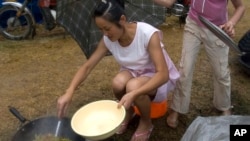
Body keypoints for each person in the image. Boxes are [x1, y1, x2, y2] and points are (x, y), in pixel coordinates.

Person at [57, 0, 179, 140]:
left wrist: (134, 94)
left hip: (155, 75)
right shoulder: (108, 39)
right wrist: (70, 91)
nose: (105, 34)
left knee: (133, 86)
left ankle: (146, 122)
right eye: (101, 29)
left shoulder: (147, 34)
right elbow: (87, 66)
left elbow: (163, 74)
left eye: (107, 28)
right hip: (134, 72)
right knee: (117, 83)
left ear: (122, 20)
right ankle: (129, 111)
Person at [166, 0, 245, 128]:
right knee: (185, 68)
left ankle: (224, 106)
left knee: (221, 72)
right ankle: (177, 108)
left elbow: (240, 7)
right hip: (194, 23)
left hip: (217, 28)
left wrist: (231, 23)